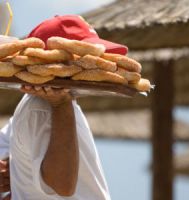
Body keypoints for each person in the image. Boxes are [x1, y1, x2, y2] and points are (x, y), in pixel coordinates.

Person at [0, 15, 128, 200]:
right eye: (84, 59)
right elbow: (63, 186)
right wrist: (60, 105)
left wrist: (19, 175)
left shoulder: (34, 105)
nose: (95, 64)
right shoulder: (44, 107)